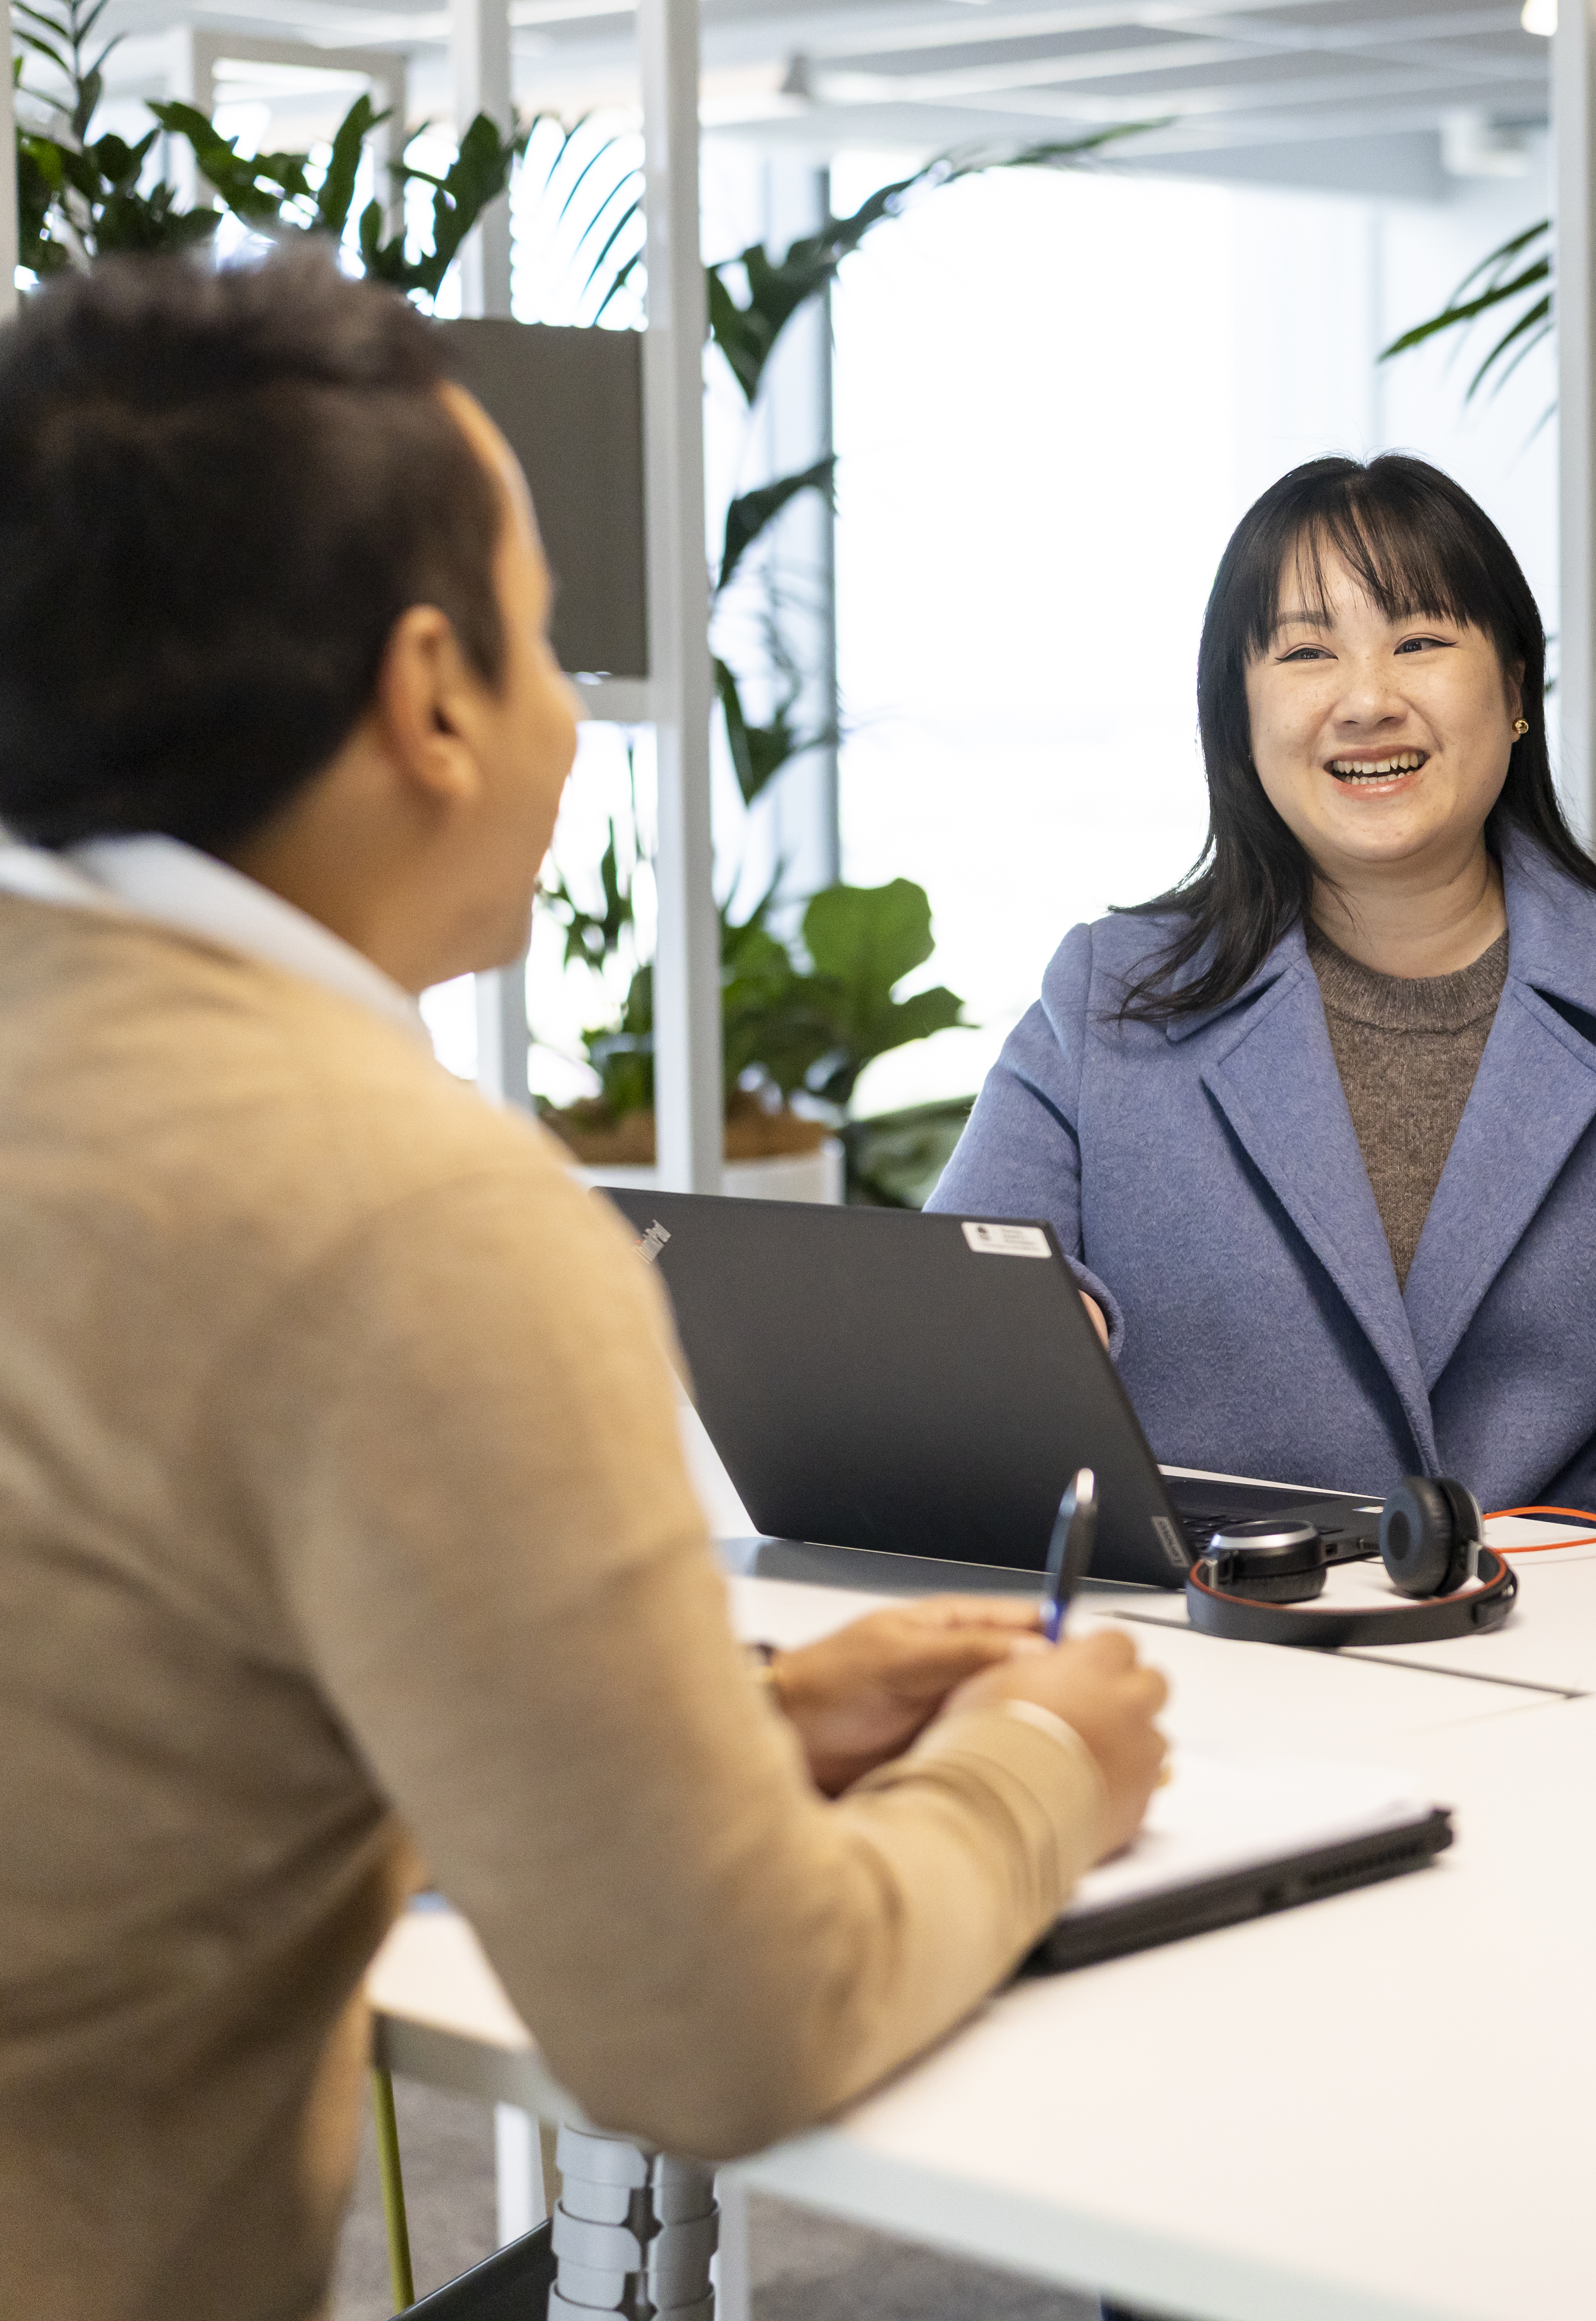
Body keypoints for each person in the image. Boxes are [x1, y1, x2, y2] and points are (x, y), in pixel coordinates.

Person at [0, 254, 1174, 2321]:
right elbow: (724, 2026)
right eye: (550, 644)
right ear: (431, 692)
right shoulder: (397, 1204)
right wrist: (1047, 1766)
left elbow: (132, 1693)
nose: (571, 717)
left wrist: (736, 1723)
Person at [932, 455, 1596, 1534]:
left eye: (1420, 642)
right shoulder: (1110, 993)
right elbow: (953, 1313)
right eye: (1307, 652)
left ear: (1515, 689)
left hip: (1568, 1632)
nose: (1368, 701)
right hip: (1210, 1632)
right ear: (1239, 714)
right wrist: (1017, 1342)